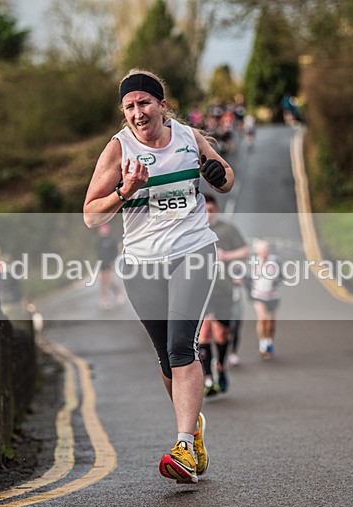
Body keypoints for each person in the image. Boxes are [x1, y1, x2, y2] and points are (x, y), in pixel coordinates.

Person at [83, 69, 234, 484]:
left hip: (193, 252)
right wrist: (124, 190)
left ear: (162, 105)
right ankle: (195, 429)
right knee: (167, 357)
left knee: (182, 346)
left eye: (145, 103)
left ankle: (184, 443)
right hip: (142, 264)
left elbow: (224, 174)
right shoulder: (118, 149)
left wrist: (219, 175)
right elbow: (90, 215)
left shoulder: (188, 137)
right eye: (129, 106)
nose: (138, 112)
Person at [198, 194, 248, 395]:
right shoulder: (196, 232)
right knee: (204, 333)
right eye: (204, 211)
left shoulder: (228, 230)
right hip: (201, 291)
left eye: (211, 211)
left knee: (221, 334)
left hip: (223, 290)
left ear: (216, 210)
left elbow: (245, 251)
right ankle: (208, 378)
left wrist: (226, 256)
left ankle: (221, 367)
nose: (208, 215)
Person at [247, 240, 283, 359]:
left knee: (270, 322)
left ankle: (269, 342)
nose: (264, 253)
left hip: (272, 295)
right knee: (262, 318)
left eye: (266, 250)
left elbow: (282, 276)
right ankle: (263, 345)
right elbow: (247, 277)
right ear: (257, 251)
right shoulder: (252, 262)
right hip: (258, 295)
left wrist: (274, 281)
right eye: (262, 250)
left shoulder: (275, 261)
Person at [95, 222, 123, 310]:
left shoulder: (112, 239)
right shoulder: (99, 240)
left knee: (110, 282)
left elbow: (115, 251)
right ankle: (104, 300)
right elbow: (98, 253)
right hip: (101, 264)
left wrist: (112, 261)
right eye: (102, 230)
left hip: (109, 263)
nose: (103, 231)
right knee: (101, 282)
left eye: (104, 229)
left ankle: (118, 293)